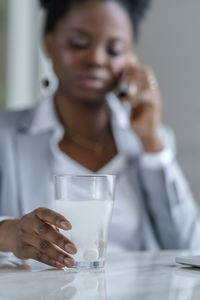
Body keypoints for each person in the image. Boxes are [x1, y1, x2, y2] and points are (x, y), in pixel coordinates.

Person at [0, 0, 200, 269]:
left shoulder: (150, 140)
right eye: (79, 43)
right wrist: (8, 234)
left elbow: (189, 244)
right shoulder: (7, 134)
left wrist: (152, 143)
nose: (96, 58)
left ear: (131, 57)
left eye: (115, 49)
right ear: (48, 42)